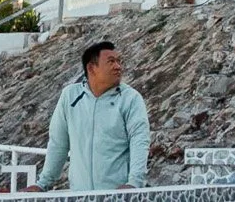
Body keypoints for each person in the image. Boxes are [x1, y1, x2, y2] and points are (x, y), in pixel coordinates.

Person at [34, 41, 149, 192]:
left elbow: (139, 141)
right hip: (81, 196)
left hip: (118, 196)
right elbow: (58, 144)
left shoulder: (131, 98)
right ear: (91, 68)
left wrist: (134, 183)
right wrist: (42, 184)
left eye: (119, 61)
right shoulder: (70, 96)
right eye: (111, 61)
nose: (118, 66)